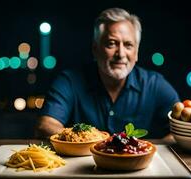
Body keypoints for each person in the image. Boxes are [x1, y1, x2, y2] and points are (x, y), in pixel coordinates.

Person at [35, 7, 180, 138]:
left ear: (136, 53)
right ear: (95, 48)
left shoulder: (155, 84)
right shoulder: (70, 81)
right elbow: (46, 126)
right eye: (111, 43)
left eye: (128, 45)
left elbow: (179, 131)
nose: (121, 53)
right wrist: (92, 141)